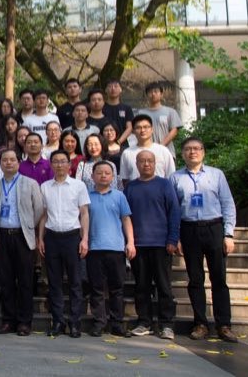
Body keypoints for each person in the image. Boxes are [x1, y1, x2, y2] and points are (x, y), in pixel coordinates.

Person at [170, 137, 238, 343]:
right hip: (189, 229)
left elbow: (227, 204)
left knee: (219, 278)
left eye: (197, 148)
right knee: (195, 279)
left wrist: (228, 234)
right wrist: (176, 236)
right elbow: (173, 210)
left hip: (214, 228)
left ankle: (223, 324)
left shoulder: (217, 175)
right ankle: (200, 323)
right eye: (188, 149)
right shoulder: (175, 178)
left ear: (203, 152)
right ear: (182, 153)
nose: (193, 152)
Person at [124, 150, 180, 339]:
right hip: (138, 245)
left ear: (155, 163)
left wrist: (173, 239)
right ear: (136, 164)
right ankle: (144, 322)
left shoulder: (165, 184)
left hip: (161, 244)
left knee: (164, 286)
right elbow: (125, 217)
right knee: (141, 286)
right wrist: (128, 242)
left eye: (150, 161)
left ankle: (167, 324)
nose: (146, 164)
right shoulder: (130, 188)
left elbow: (174, 212)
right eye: (142, 161)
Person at [0, 149, 46, 336]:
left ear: (18, 162)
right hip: (2, 236)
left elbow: (39, 209)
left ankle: (24, 322)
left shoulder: (30, 184)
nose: (8, 163)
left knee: (25, 281)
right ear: (0, 164)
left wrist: (29, 226)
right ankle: (8, 321)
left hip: (22, 236)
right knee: (6, 281)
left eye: (12, 160)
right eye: (4, 160)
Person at [38, 149, 90, 338]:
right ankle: (58, 321)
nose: (59, 165)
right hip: (52, 237)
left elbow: (84, 213)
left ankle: (75, 322)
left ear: (69, 165)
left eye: (63, 161)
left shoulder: (78, 186)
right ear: (51, 165)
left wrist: (85, 239)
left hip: (72, 237)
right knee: (54, 282)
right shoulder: (45, 187)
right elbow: (44, 215)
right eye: (56, 161)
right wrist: (40, 239)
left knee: (75, 282)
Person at [86, 161, 135, 337]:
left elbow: (126, 219)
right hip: (93, 248)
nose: (103, 176)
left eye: (107, 173)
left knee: (117, 288)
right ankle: (99, 322)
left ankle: (117, 324)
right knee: (96, 288)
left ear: (113, 176)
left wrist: (130, 242)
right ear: (92, 176)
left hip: (116, 248)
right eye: (99, 173)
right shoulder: (86, 196)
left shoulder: (119, 196)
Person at [119, 115, 175, 187]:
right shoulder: (127, 153)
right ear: (133, 131)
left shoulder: (163, 151)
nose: (142, 130)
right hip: (136, 191)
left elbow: (171, 175)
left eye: (146, 127)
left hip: (160, 191)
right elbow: (125, 178)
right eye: (138, 128)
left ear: (152, 129)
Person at [139, 82, 183, 159]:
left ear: (161, 94)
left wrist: (160, 146)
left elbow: (174, 131)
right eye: (150, 92)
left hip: (167, 152)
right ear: (146, 95)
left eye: (156, 91)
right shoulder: (141, 113)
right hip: (146, 153)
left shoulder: (170, 111)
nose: (153, 94)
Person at [103, 79, 134, 145]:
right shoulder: (101, 108)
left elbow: (129, 127)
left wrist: (119, 142)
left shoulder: (127, 108)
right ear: (105, 90)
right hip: (103, 144)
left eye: (116, 86)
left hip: (122, 144)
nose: (113, 89)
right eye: (110, 86)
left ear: (121, 89)